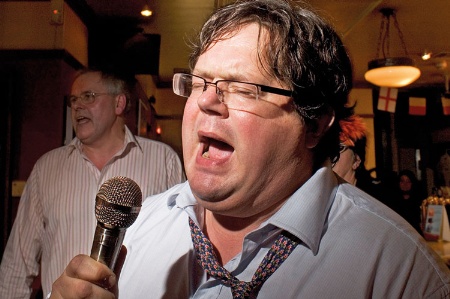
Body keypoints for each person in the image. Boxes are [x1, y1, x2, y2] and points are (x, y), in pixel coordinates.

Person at [50, 1, 450, 298]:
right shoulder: (138, 228)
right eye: (200, 82)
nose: (207, 101)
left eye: (242, 88)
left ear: (313, 123)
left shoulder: (400, 272)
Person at [0, 68, 186, 298]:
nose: (77, 106)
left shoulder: (163, 160)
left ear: (119, 104)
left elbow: (183, 248)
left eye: (88, 96)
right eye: (74, 100)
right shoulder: (46, 168)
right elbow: (16, 266)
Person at [389, 169, 425, 235]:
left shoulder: (418, 200)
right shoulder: (393, 200)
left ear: (412, 183)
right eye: (402, 181)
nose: (405, 184)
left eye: (408, 181)